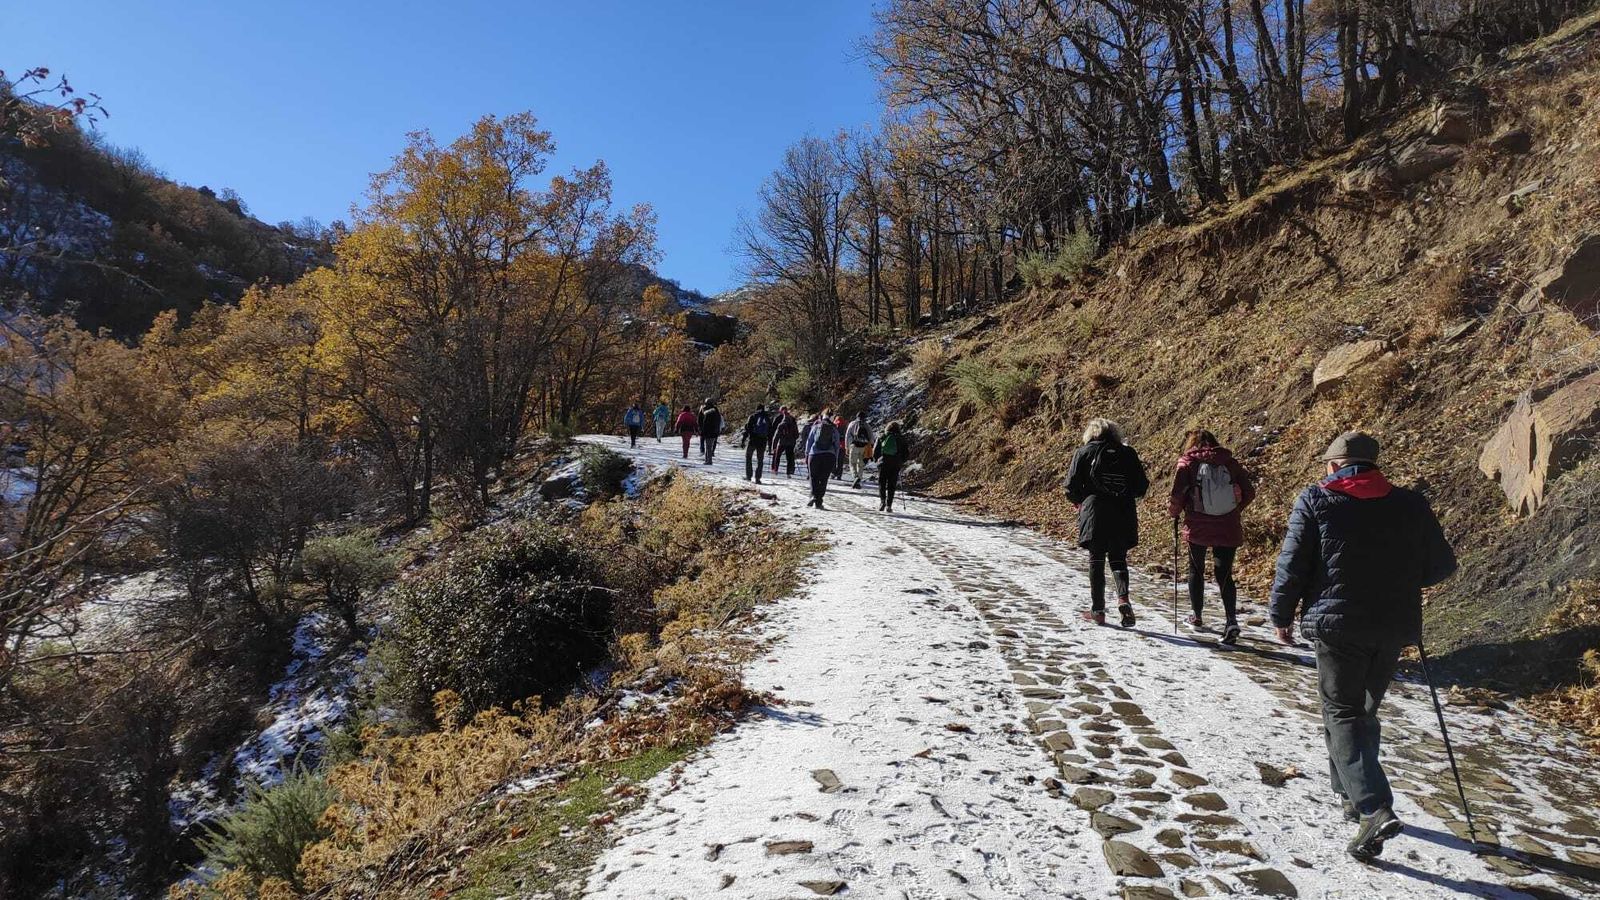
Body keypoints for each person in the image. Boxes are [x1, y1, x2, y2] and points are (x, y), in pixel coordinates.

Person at [1271, 431, 1456, 862]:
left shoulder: (1317, 499)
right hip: (1392, 625)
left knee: (1342, 711)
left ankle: (1373, 808)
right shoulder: (1410, 503)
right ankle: (1350, 794)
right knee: (1361, 711)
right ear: (1374, 465)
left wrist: (1281, 614)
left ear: (1334, 465)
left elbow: (1293, 562)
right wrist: (1400, 583)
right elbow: (1442, 564)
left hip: (1338, 627)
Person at [1168, 429, 1256, 644]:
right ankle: (1231, 620)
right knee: (1224, 573)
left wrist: (1173, 512)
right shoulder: (1230, 463)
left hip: (1197, 525)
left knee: (1195, 569)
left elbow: (1177, 495)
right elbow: (1250, 492)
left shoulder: (1188, 463)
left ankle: (1197, 616)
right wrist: (1235, 510)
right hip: (1228, 524)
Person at [1065, 418, 1149, 627]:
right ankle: (1123, 599)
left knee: (1096, 560)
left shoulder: (1083, 452)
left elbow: (1070, 487)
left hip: (1095, 511)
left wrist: (1081, 502)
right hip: (1123, 510)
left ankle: (1098, 610)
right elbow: (1141, 486)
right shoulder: (1128, 453)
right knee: (1119, 559)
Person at [803, 409, 839, 509]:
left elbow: (809, 441)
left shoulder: (816, 426)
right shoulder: (834, 428)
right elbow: (837, 445)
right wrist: (835, 457)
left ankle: (813, 495)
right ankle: (819, 502)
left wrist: (807, 454)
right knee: (824, 479)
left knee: (813, 477)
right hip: (829, 456)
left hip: (814, 455)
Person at [875, 421, 909, 512]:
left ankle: (882, 502)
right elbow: (906, 454)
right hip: (895, 464)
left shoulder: (882, 437)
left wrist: (877, 460)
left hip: (883, 463)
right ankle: (889, 505)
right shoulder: (901, 439)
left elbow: (875, 451)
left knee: (882, 483)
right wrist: (901, 461)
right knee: (892, 484)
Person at [742, 404, 773, 483]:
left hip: (753, 440)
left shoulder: (753, 417)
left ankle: (749, 476)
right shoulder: (767, 418)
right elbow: (770, 432)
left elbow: (747, 429)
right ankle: (758, 478)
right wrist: (770, 446)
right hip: (762, 441)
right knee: (760, 460)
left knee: (748, 457)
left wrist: (743, 440)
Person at [846, 412, 874, 489]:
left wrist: (847, 447)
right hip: (864, 447)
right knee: (861, 464)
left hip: (854, 446)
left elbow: (847, 436)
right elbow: (871, 437)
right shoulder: (867, 425)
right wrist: (871, 447)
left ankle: (855, 477)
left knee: (852, 463)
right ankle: (859, 479)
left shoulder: (852, 424)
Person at [770, 406, 799, 477]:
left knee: (777, 456)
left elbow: (776, 436)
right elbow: (797, 435)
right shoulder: (793, 424)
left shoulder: (781, 424)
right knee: (789, 458)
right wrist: (793, 439)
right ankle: (788, 473)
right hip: (790, 443)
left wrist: (773, 446)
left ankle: (775, 470)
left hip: (782, 443)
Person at [698, 398, 723, 466]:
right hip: (714, 431)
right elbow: (718, 421)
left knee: (708, 446)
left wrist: (701, 430)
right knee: (709, 446)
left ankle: (709, 461)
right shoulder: (716, 411)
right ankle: (707, 460)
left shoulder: (706, 410)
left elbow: (702, 421)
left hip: (708, 431)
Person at [832, 414, 848, 480]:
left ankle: (833, 473)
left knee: (833, 460)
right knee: (840, 461)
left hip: (834, 445)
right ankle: (839, 475)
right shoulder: (845, 425)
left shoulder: (834, 425)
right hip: (843, 445)